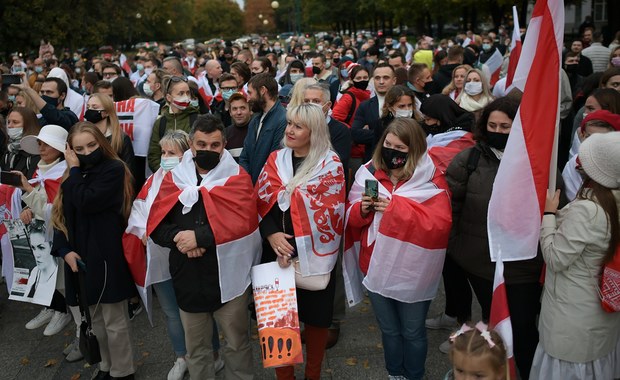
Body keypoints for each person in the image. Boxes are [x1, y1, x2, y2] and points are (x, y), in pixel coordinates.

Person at [149, 115, 259, 380]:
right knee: (196, 349)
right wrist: (180, 238)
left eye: (215, 145)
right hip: (188, 278)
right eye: (201, 144)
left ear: (224, 145)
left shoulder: (237, 178)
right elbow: (156, 225)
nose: (207, 150)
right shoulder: (174, 178)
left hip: (229, 280)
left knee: (237, 344)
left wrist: (200, 238)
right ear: (191, 144)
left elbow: (246, 221)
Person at [344, 118, 452, 380]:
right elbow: (350, 218)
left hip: (414, 271)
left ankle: (415, 375)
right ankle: (395, 373)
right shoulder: (368, 173)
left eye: (400, 148)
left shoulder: (431, 179)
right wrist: (362, 209)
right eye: (388, 145)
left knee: (413, 331)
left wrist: (395, 210)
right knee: (390, 330)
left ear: (414, 150)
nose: (392, 151)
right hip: (376, 264)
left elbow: (440, 225)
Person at [445, 97, 544, 379]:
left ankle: (524, 371)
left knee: (524, 326)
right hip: (481, 263)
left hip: (524, 265)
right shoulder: (469, 159)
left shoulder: (538, 160)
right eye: (492, 125)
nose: (498, 131)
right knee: (496, 323)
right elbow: (450, 205)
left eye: (505, 126)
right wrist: (458, 246)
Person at [256, 103, 346, 380]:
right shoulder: (275, 159)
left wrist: (294, 246)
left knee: (317, 319)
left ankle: (313, 373)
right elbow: (260, 201)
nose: (290, 130)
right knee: (278, 323)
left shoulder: (330, 165)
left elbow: (332, 212)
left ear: (314, 131)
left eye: (298, 126)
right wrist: (271, 235)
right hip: (275, 250)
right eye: (289, 123)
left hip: (315, 253)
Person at [531, 132, 620, 380]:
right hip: (601, 314)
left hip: (571, 315)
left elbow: (556, 258)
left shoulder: (587, 211)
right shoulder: (609, 203)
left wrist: (549, 215)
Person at [52, 122, 136, 380]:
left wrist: (74, 169)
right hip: (79, 257)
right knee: (94, 319)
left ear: (102, 142)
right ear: (70, 150)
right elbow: (60, 216)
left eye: (92, 145)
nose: (87, 152)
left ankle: (123, 372)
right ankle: (106, 367)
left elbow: (87, 202)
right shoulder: (73, 175)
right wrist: (64, 250)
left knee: (114, 320)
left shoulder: (113, 168)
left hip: (107, 256)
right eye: (79, 148)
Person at [239, 73, 287, 184]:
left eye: (250, 93)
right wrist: (246, 181)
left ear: (262, 90)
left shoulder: (283, 120)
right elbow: (245, 155)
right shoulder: (255, 120)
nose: (248, 98)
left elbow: (275, 160)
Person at [562, 110, 620, 200]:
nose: (593, 143)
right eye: (589, 137)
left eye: (601, 139)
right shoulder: (573, 164)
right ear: (583, 135)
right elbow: (572, 201)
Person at [148, 76, 200, 172]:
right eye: (181, 93)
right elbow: (153, 155)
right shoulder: (160, 123)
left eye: (188, 93)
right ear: (169, 97)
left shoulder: (198, 120)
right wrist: (164, 173)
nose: (186, 97)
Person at [352, 63, 397, 165]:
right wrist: (388, 134)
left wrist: (372, 132)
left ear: (394, 80)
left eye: (386, 78)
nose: (381, 82)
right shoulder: (365, 106)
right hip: (372, 162)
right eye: (377, 78)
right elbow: (355, 134)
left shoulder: (403, 103)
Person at [1, 107, 41, 178]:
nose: (10, 126)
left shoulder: (36, 151)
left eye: (15, 122)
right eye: (8, 122)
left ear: (28, 125)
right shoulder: (9, 149)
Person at [225, 93, 251, 162]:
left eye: (242, 108)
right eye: (234, 109)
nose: (238, 112)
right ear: (230, 112)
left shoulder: (259, 131)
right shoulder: (225, 134)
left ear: (250, 110)